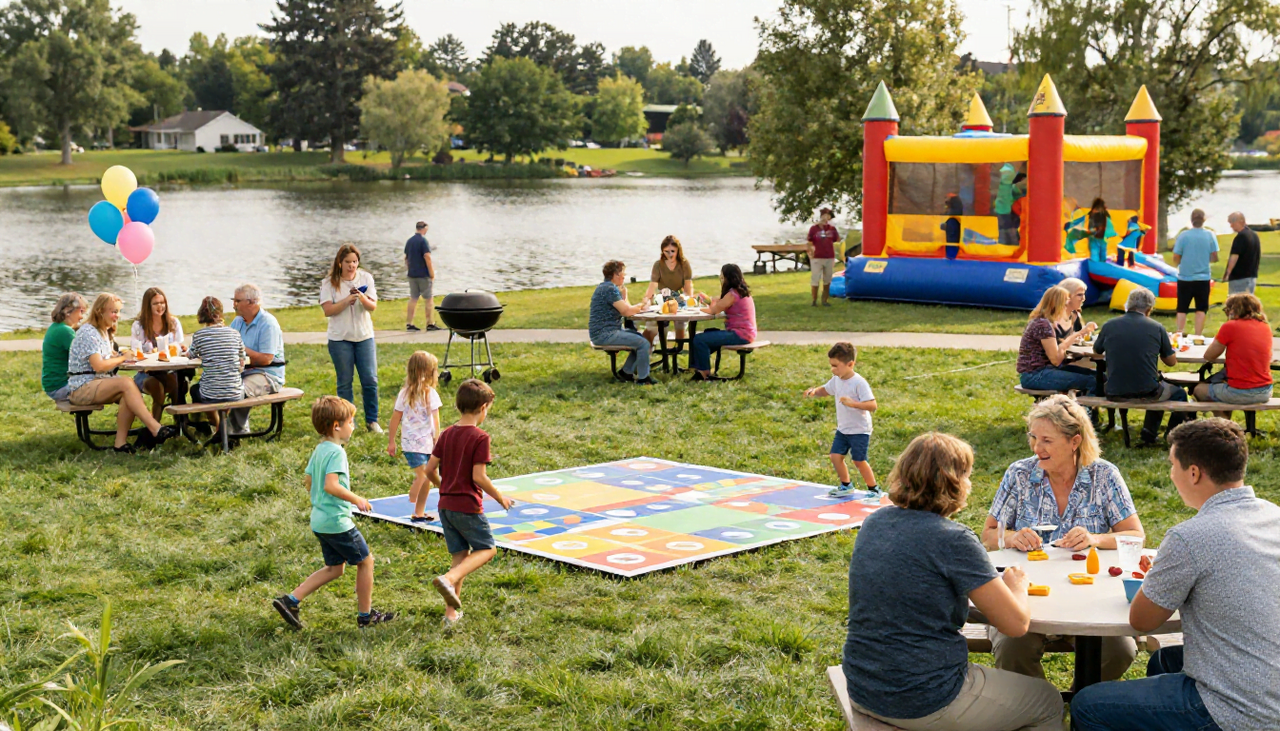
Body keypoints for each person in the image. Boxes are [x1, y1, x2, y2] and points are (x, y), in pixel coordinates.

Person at [842, 432, 1064, 731]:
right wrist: (1017, 585)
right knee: (1048, 701)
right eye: (967, 476)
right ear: (955, 482)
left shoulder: (875, 522)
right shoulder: (953, 539)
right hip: (924, 697)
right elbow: (1015, 625)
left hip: (865, 685)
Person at [1071, 418, 1280, 731]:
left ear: (1193, 472)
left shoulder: (1189, 537)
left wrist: (1156, 580)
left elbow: (1142, 621)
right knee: (1164, 661)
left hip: (1236, 710)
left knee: (1087, 705)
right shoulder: (1272, 516)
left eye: (1172, 465)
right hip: (1270, 685)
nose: (1171, 474)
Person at [981, 395, 1144, 681]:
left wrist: (1094, 538)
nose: (1036, 447)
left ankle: (1085, 701)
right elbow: (989, 535)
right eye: (1034, 438)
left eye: (1046, 440)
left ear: (1074, 441)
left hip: (1090, 597)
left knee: (1120, 650)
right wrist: (1013, 536)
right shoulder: (1019, 474)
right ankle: (1040, 707)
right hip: (1026, 596)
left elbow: (1134, 535)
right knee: (1011, 648)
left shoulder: (1104, 475)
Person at [273, 396, 394, 630]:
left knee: (334, 568)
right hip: (337, 522)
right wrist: (356, 499)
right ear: (336, 426)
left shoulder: (320, 449)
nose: (354, 426)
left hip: (320, 520)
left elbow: (308, 480)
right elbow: (331, 485)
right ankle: (365, 616)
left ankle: (290, 600)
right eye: (351, 421)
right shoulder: (337, 452)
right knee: (366, 562)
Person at [426, 379, 515, 628]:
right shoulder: (480, 437)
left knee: (460, 557)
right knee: (487, 549)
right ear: (484, 407)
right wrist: (501, 498)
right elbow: (479, 477)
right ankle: (449, 578)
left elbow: (429, 469)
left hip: (445, 506)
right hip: (467, 506)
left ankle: (450, 615)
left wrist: (443, 485)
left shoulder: (447, 434)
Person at [65, 293, 177, 453]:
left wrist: (121, 356)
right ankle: (155, 428)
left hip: (97, 383)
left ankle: (120, 444)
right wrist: (122, 358)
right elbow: (98, 365)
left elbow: (107, 357)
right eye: (113, 312)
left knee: (129, 393)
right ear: (100, 311)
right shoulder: (88, 332)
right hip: (81, 387)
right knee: (126, 383)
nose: (117, 316)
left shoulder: (103, 332)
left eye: (118, 312)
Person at [1093, 287, 1185, 445]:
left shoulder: (1110, 325)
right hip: (1147, 391)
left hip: (1114, 389)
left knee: (1156, 384)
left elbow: (1096, 351)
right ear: (1149, 308)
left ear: (1128, 304)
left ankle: (1149, 433)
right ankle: (1166, 436)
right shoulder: (1156, 327)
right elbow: (1171, 362)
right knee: (1179, 394)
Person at [803, 342, 879, 499]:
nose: (833, 369)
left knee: (859, 460)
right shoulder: (836, 379)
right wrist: (814, 392)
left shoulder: (859, 383)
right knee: (835, 456)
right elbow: (826, 390)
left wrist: (853, 404)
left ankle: (874, 489)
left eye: (836, 366)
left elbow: (872, 405)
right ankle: (846, 485)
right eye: (831, 365)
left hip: (859, 430)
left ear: (850, 364)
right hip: (843, 429)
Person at [321, 244, 381, 432]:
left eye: (355, 262)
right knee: (345, 382)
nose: (351, 265)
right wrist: (347, 300)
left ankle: (372, 421)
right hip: (340, 339)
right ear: (340, 263)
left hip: (364, 337)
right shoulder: (329, 282)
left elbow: (372, 306)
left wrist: (362, 298)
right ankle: (347, 422)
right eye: (348, 262)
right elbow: (328, 310)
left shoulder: (366, 278)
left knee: (370, 380)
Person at [1193, 293, 1274, 417]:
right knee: (1224, 384)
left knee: (1199, 390)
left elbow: (1209, 356)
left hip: (1242, 392)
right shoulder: (1265, 326)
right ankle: (1227, 425)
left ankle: (1225, 426)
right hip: (1265, 390)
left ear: (1233, 310)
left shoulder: (1231, 326)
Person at [387, 350, 443, 522]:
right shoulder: (404, 394)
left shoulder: (431, 394)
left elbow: (435, 421)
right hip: (412, 444)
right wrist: (391, 441)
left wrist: (437, 442)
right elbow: (395, 418)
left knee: (427, 478)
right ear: (427, 372)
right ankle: (415, 492)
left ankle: (419, 513)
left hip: (427, 443)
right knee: (424, 476)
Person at [228, 283, 285, 435]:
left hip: (267, 375)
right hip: (242, 371)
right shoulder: (237, 322)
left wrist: (241, 349)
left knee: (237, 390)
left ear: (251, 302)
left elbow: (266, 359)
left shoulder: (268, 324)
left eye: (237, 301)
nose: (234, 305)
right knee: (213, 387)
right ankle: (213, 427)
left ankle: (235, 432)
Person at [1016, 286, 1096, 394]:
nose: (1067, 306)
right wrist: (1074, 338)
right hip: (1035, 375)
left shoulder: (1045, 321)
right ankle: (1084, 410)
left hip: (1044, 371)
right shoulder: (1043, 324)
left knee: (1097, 376)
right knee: (1092, 381)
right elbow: (1056, 361)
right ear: (1058, 304)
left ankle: (1080, 407)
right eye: (1066, 302)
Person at [186, 297, 247, 435]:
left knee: (196, 390)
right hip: (235, 392)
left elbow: (190, 355)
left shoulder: (200, 335)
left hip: (211, 394)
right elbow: (242, 358)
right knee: (224, 390)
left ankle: (217, 427)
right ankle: (222, 429)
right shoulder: (234, 334)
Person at [589, 260, 654, 386]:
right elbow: (627, 312)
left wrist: (625, 296)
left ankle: (626, 372)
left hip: (607, 331)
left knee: (641, 338)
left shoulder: (608, 287)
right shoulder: (609, 289)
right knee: (643, 343)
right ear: (616, 274)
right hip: (604, 334)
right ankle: (643, 379)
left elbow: (627, 308)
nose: (624, 276)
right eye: (623, 273)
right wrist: (642, 305)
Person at [690, 264, 756, 381]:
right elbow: (719, 302)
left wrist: (697, 309)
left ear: (727, 277)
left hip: (740, 334)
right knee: (708, 333)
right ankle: (697, 367)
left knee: (699, 339)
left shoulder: (732, 294)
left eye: (722, 276)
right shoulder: (741, 292)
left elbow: (713, 310)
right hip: (746, 333)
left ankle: (704, 374)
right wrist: (709, 300)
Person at [129, 287, 183, 420]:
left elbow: (180, 346)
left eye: (162, 302)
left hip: (169, 370)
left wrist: (174, 347)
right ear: (148, 306)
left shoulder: (173, 323)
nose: (160, 306)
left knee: (179, 382)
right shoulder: (138, 326)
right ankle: (155, 428)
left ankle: (180, 425)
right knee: (156, 386)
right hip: (146, 372)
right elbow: (136, 350)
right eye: (155, 303)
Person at [642, 235, 695, 350]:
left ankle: (678, 349)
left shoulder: (684, 264)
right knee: (655, 323)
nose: (670, 254)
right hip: (662, 297)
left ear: (678, 251)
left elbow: (688, 285)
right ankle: (652, 351)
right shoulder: (658, 265)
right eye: (666, 251)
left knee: (681, 321)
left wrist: (687, 298)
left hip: (679, 297)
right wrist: (646, 300)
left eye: (672, 251)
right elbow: (653, 285)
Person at [1172, 209, 1219, 336]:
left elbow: (1176, 256)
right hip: (1203, 277)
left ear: (1191, 220)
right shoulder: (1210, 235)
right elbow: (1214, 256)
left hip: (1185, 277)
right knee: (1201, 308)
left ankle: (1179, 333)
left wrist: (1180, 263)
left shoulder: (1183, 235)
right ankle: (1198, 335)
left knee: (1182, 308)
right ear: (1204, 220)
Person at [42, 292, 86, 401]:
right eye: (81, 311)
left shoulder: (57, 327)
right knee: (116, 387)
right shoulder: (65, 331)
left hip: (54, 386)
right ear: (67, 311)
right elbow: (86, 357)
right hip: (61, 387)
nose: (82, 317)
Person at [405, 221, 438, 332]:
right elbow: (427, 256)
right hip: (423, 275)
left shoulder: (409, 241)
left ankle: (409, 323)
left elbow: (406, 258)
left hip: (412, 274)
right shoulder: (423, 241)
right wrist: (431, 272)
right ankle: (430, 323)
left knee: (413, 298)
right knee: (428, 299)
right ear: (424, 229)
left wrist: (409, 269)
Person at [1222, 211, 1260, 295]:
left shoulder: (1240, 237)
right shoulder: (1254, 235)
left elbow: (1234, 257)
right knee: (1248, 304)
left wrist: (1227, 273)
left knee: (1235, 304)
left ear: (1241, 221)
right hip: (1251, 276)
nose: (1231, 225)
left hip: (1239, 278)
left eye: (1232, 222)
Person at [807, 207, 840, 306]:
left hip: (829, 256)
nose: (826, 218)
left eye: (828, 216)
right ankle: (814, 300)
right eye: (824, 215)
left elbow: (837, 240)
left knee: (827, 279)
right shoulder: (814, 228)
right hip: (817, 257)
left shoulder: (832, 229)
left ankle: (825, 300)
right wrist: (810, 252)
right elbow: (809, 241)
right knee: (815, 279)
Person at [941, 194, 963, 260]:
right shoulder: (956, 209)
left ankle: (951, 255)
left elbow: (951, 229)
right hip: (954, 224)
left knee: (951, 240)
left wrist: (946, 226)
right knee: (953, 240)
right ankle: (952, 255)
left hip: (952, 225)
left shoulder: (952, 212)